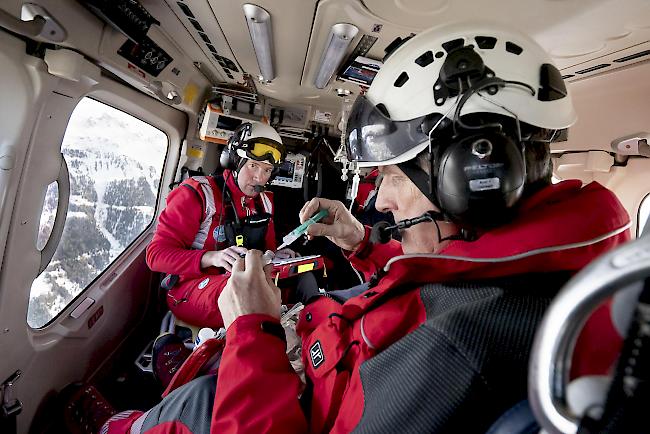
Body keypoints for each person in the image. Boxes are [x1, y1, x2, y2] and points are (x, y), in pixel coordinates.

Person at [100, 22, 631, 433]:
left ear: (473, 175)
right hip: (304, 352)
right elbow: (424, 290)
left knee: (194, 406)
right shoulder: (520, 274)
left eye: (395, 176)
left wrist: (253, 335)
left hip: (281, 390)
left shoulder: (460, 346)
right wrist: (358, 242)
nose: (381, 199)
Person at [145, 120, 296, 329]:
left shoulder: (265, 203)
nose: (259, 177)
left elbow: (266, 251)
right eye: (253, 165)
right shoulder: (197, 194)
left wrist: (275, 256)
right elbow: (156, 256)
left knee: (301, 281)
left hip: (246, 284)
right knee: (246, 291)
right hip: (190, 289)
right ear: (234, 161)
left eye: (268, 170)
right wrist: (212, 257)